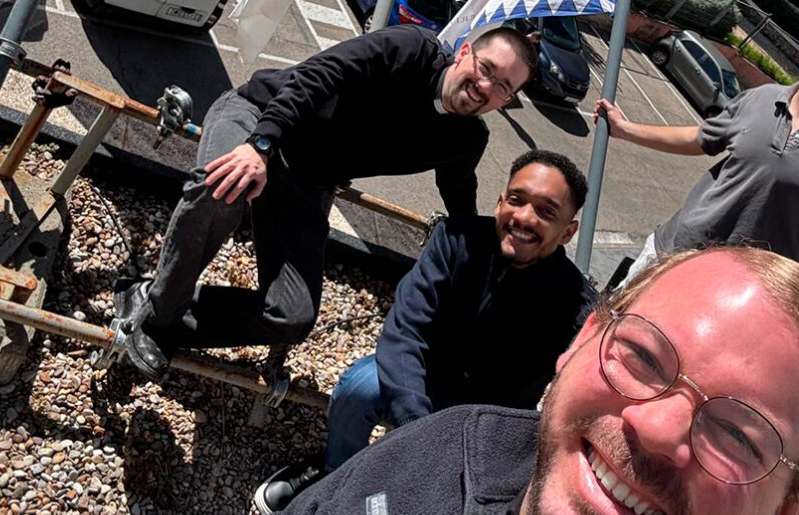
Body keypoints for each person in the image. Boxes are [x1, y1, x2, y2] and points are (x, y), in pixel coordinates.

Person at [148, 246, 799, 515]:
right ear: (584, 340)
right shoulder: (455, 442)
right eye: (645, 355)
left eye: (739, 432)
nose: (656, 427)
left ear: (791, 513)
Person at [114, 26, 538, 380]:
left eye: (504, 87)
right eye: (486, 70)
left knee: (292, 314)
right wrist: (260, 145)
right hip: (262, 118)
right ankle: (155, 314)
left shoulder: (465, 140)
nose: (486, 87)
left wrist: (497, 257)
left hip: (306, 180)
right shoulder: (410, 51)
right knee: (224, 186)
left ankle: (155, 304)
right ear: (464, 53)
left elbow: (460, 195)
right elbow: (319, 75)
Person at [253, 149, 597, 515]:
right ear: (500, 202)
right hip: (421, 382)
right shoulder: (455, 240)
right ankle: (336, 473)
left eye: (546, 212)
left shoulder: (576, 303)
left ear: (568, 231)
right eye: (517, 200)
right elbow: (403, 332)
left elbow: (583, 393)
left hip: (487, 418)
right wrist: (417, 430)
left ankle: (426, 508)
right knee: (359, 387)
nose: (524, 218)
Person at [597, 1, 799, 286]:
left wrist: (779, 311)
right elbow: (699, 139)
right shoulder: (759, 98)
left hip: (736, 296)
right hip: (665, 255)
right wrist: (625, 130)